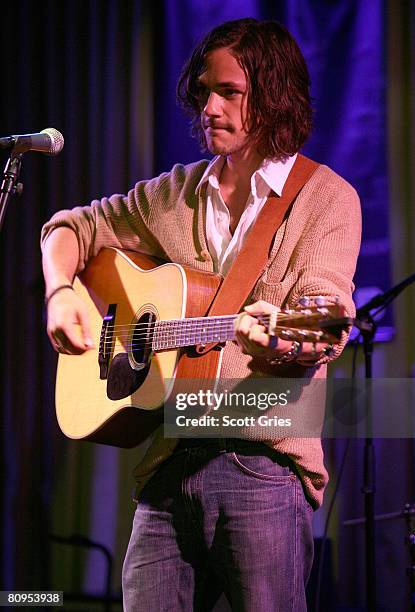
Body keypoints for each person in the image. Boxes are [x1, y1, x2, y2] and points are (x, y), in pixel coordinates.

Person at [41, 18, 361, 612]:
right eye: (204, 92)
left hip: (261, 462)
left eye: (229, 93)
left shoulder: (326, 199)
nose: (209, 107)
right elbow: (73, 226)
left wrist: (282, 345)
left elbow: (321, 319)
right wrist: (60, 290)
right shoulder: (176, 193)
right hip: (168, 463)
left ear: (272, 95)